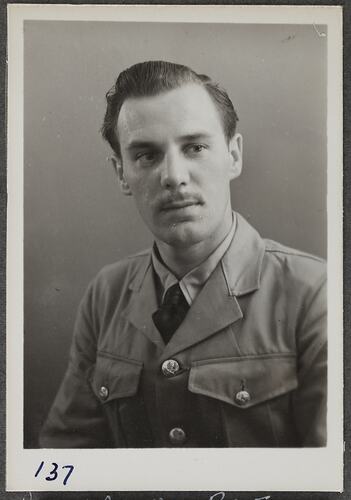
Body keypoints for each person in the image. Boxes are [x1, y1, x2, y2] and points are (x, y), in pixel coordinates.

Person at [40, 60, 327, 448]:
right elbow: (66, 459)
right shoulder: (106, 294)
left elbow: (333, 478)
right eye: (146, 155)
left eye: (194, 147)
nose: (174, 176)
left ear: (234, 156)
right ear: (121, 173)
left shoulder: (316, 294)